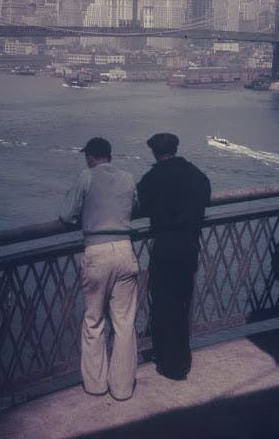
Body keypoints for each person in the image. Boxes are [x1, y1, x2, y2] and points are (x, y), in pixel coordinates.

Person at [43, 137, 139, 401]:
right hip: (124, 249)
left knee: (94, 320)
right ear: (110, 155)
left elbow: (66, 215)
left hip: (96, 252)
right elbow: (135, 208)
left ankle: (95, 385)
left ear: (90, 156)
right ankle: (122, 389)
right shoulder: (129, 178)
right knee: (124, 322)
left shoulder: (86, 177)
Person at [136, 133, 211, 380]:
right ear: (175, 149)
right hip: (190, 246)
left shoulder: (154, 177)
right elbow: (206, 195)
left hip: (166, 247)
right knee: (182, 302)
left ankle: (170, 363)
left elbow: (139, 205)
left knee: (163, 302)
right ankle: (182, 359)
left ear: (156, 153)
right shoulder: (196, 175)